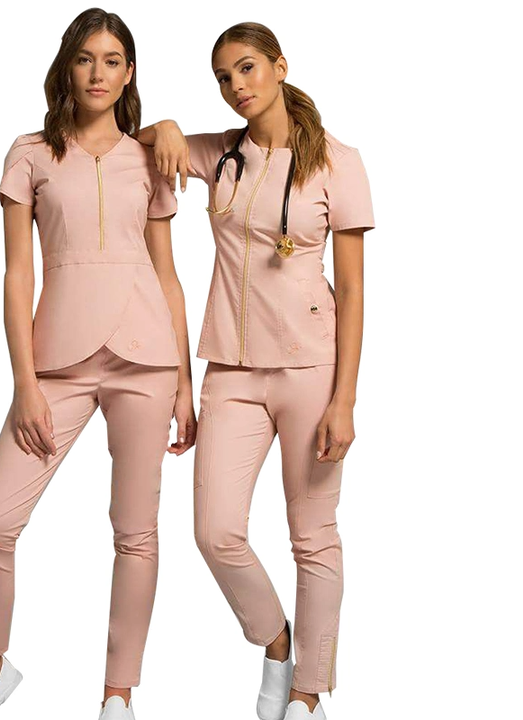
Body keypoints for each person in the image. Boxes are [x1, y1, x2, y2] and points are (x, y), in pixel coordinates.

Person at [0, 10, 196, 720]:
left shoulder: (150, 157)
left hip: (148, 361)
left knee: (136, 533)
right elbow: (16, 276)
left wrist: (185, 382)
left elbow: (168, 273)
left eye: (113, 60)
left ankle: (119, 695)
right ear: (67, 67)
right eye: (86, 58)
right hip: (56, 366)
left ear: (129, 72)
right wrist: (24, 382)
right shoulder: (29, 154)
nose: (98, 73)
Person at [135, 21, 375, 720]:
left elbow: (353, 288)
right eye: (223, 77)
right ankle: (277, 642)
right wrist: (168, 125)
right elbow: (136, 143)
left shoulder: (339, 162)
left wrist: (344, 400)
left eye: (246, 68)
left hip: (311, 369)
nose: (236, 86)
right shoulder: (219, 154)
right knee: (215, 532)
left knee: (313, 536)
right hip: (232, 371)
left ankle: (308, 692)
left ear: (279, 66)